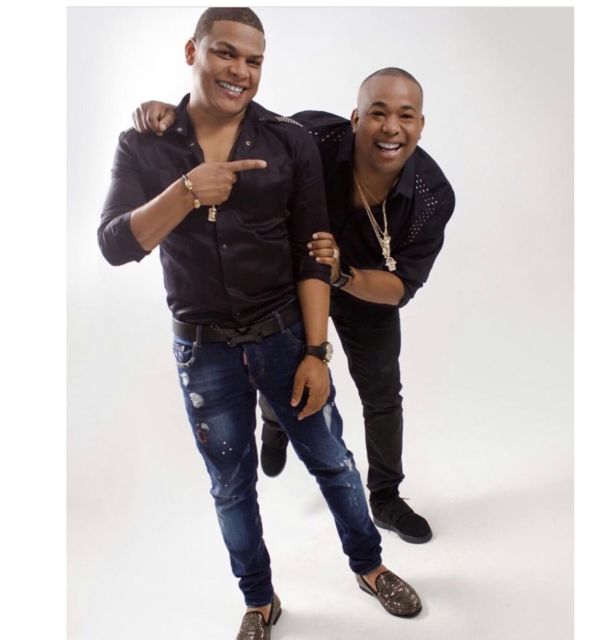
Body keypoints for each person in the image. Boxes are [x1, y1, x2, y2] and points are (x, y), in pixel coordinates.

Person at [99, 8, 423, 639]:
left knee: (332, 461)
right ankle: (259, 600)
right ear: (192, 51)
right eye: (226, 53)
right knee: (230, 485)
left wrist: (316, 352)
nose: (240, 71)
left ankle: (370, 566)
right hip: (203, 351)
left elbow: (312, 251)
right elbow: (114, 244)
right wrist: (187, 190)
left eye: (254, 61)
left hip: (283, 335)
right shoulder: (144, 143)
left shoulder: (288, 141)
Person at [133, 66, 456, 547]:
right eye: (378, 113)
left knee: (383, 393)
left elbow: (399, 288)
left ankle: (386, 497)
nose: (391, 128)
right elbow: (241, 133)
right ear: (355, 118)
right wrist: (173, 115)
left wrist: (342, 274)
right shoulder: (312, 136)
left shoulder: (432, 195)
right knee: (282, 366)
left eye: (406, 116)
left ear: (421, 125)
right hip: (293, 279)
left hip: (364, 288)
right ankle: (275, 423)